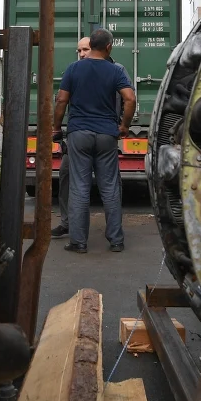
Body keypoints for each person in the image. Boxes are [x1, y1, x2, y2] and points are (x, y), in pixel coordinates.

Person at [54, 28, 135, 253]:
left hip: (79, 133)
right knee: (109, 187)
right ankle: (116, 240)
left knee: (79, 187)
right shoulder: (115, 71)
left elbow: (61, 101)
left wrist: (56, 127)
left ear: (92, 46)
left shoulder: (73, 69)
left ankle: (79, 242)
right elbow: (129, 98)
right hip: (107, 134)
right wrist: (124, 126)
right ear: (109, 47)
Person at [53, 37, 92, 239]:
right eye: (79, 50)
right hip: (75, 136)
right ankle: (67, 223)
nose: (82, 53)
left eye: (86, 49)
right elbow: (60, 100)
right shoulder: (73, 71)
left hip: (100, 136)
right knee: (66, 177)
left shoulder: (113, 70)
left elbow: (124, 99)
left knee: (109, 186)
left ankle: (113, 233)